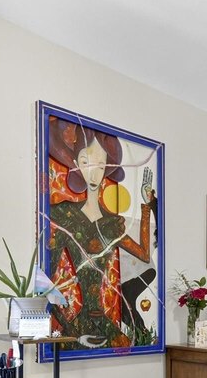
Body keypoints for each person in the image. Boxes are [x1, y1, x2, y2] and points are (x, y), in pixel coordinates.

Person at [47, 116, 157, 347]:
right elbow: (46, 283)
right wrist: (69, 329)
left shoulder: (111, 224)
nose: (94, 172)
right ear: (76, 163)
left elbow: (145, 255)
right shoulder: (66, 215)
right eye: (86, 162)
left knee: (125, 347)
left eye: (100, 165)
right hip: (76, 325)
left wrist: (146, 206)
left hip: (104, 323)